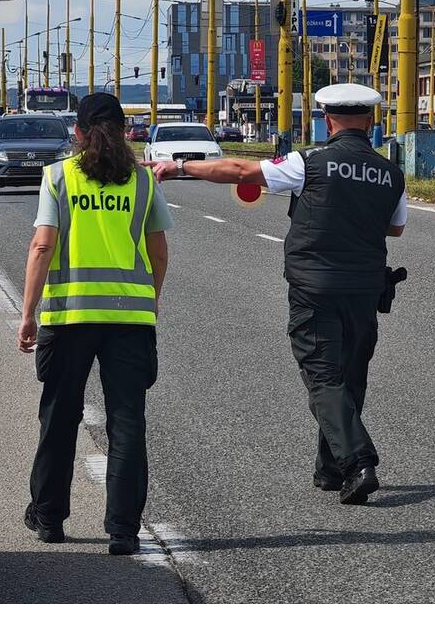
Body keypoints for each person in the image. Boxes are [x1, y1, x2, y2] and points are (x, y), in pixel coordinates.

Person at [149, 83, 406, 505]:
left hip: (315, 285)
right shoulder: (389, 172)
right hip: (365, 287)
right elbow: (395, 228)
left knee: (323, 375)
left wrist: (181, 167)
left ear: (327, 120)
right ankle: (332, 468)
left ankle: (358, 461)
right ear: (372, 120)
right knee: (350, 375)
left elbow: (239, 171)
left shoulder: (310, 162)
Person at [18, 92, 173, 555]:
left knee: (60, 417)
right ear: (126, 132)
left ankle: (49, 518)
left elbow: (42, 247)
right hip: (129, 319)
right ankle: (123, 531)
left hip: (69, 318)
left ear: (79, 132)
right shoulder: (143, 183)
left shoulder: (58, 177)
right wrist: (151, 301)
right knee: (127, 423)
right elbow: (159, 252)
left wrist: (28, 315)